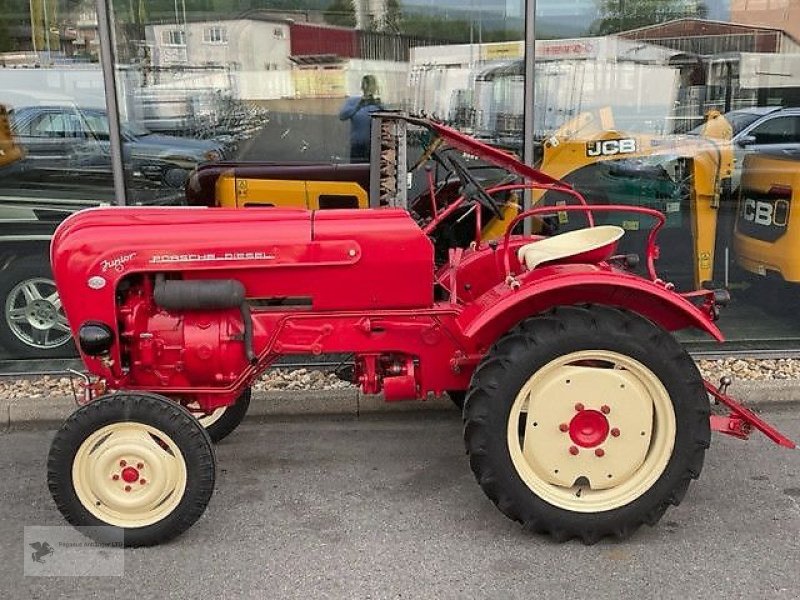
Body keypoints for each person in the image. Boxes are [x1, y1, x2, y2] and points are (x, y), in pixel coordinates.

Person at [339, 75, 383, 163]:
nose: (368, 89)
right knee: (356, 171)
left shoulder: (379, 103)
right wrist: (358, 105)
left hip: (375, 146)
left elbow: (391, 118)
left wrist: (380, 106)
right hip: (357, 146)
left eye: (370, 86)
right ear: (362, 87)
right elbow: (342, 116)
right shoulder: (353, 101)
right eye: (366, 85)